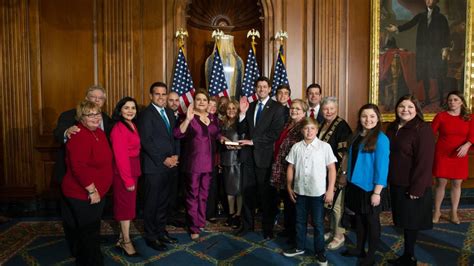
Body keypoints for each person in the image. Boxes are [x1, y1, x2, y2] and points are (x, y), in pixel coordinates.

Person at [60, 100, 113, 265]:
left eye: (97, 113)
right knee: (88, 232)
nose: (95, 117)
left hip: (98, 191)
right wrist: (91, 190)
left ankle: (92, 258)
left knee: (91, 231)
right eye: (90, 114)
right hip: (83, 193)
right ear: (81, 118)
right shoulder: (78, 135)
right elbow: (78, 167)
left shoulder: (99, 132)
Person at [386, 95, 435, 266]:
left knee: (411, 223)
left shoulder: (422, 129)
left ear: (417, 109)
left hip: (413, 185)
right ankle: (406, 255)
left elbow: (425, 161)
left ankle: (410, 257)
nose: (405, 110)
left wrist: (417, 188)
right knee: (403, 221)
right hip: (396, 182)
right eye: (402, 106)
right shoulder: (392, 127)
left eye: (410, 107)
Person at [236, 76, 286, 239]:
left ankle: (267, 229)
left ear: (270, 89)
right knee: (247, 193)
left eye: (265, 87)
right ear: (256, 89)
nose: (262, 89)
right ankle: (247, 226)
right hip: (248, 157)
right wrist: (242, 113)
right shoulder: (250, 107)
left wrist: (253, 141)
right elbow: (242, 128)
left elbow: (275, 133)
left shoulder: (277, 108)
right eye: (259, 87)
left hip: (265, 158)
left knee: (267, 196)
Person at [283, 117, 337, 266]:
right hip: (300, 191)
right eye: (306, 128)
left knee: (318, 224)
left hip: (317, 193)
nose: (309, 131)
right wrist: (289, 186)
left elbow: (332, 168)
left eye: (312, 128)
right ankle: (300, 246)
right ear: (302, 130)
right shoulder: (296, 147)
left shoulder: (324, 147)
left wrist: (330, 189)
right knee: (300, 222)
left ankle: (320, 251)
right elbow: (290, 167)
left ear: (317, 130)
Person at [174, 89, 226, 241]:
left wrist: (223, 139)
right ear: (194, 102)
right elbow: (177, 134)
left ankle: (200, 221)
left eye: (204, 99)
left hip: (209, 164)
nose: (202, 102)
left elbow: (216, 134)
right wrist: (188, 120)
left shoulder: (212, 118)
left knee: (204, 195)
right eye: (199, 99)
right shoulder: (188, 117)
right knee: (192, 196)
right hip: (193, 165)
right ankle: (193, 227)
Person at [341, 104, 390, 266]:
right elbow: (350, 157)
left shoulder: (381, 139)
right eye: (364, 116)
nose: (368, 120)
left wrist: (377, 192)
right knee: (359, 220)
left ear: (377, 118)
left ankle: (371, 255)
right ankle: (359, 248)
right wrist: (345, 175)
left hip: (371, 188)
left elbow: (382, 168)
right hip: (356, 184)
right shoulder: (356, 135)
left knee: (372, 221)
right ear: (359, 118)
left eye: (372, 116)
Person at [138, 82, 179, 252]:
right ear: (151, 96)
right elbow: (146, 141)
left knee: (163, 202)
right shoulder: (146, 115)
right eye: (157, 94)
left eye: (163, 94)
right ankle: (151, 236)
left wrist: (176, 155)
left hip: (169, 165)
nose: (161, 97)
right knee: (152, 203)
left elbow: (174, 137)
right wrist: (164, 159)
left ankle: (161, 232)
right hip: (154, 167)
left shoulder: (169, 112)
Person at [386, 0, 450, 106]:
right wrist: (397, 28)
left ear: (436, 1)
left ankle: (442, 101)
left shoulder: (441, 18)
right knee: (425, 75)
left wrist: (445, 49)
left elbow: (446, 34)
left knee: (439, 76)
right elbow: (411, 23)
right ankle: (427, 99)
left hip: (435, 52)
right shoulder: (421, 16)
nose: (428, 1)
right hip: (423, 52)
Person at [53, 85, 113, 183]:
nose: (97, 100)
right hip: (72, 172)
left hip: (98, 175)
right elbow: (58, 132)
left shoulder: (107, 119)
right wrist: (66, 132)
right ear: (86, 98)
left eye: (101, 98)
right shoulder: (69, 115)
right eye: (93, 97)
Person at [432, 91, 474, 224]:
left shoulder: (469, 117)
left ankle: (453, 212)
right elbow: (430, 133)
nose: (452, 102)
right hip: (442, 154)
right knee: (441, 184)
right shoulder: (441, 116)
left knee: (457, 184)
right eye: (450, 100)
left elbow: (473, 135)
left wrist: (467, 145)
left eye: (455, 100)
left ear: (462, 101)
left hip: (460, 155)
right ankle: (437, 211)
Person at [270, 99, 308, 245]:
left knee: (294, 204)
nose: (294, 111)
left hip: (295, 171)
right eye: (292, 108)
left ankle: (295, 237)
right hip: (283, 169)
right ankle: (288, 229)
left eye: (298, 109)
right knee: (287, 201)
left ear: (304, 112)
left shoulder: (304, 127)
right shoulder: (288, 124)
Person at [317, 96, 352, 250]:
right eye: (325, 108)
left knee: (337, 205)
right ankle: (332, 231)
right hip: (324, 172)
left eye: (332, 108)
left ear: (336, 109)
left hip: (337, 172)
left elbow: (346, 153)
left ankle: (339, 236)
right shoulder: (322, 124)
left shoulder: (342, 126)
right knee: (329, 204)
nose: (329, 111)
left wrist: (343, 174)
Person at [110, 97, 141, 257]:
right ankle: (126, 241)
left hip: (133, 169)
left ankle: (121, 238)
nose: (130, 111)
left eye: (133, 108)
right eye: (126, 108)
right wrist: (127, 180)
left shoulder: (132, 125)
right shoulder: (119, 128)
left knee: (129, 205)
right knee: (125, 208)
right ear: (120, 110)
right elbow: (120, 156)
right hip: (124, 172)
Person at [220, 99, 243, 228]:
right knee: (229, 190)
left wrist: (237, 146)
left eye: (234, 108)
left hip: (238, 160)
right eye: (229, 108)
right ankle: (231, 213)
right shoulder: (222, 123)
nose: (231, 110)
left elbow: (245, 140)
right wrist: (221, 139)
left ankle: (238, 215)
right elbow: (218, 137)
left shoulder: (241, 122)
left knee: (238, 190)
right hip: (226, 159)